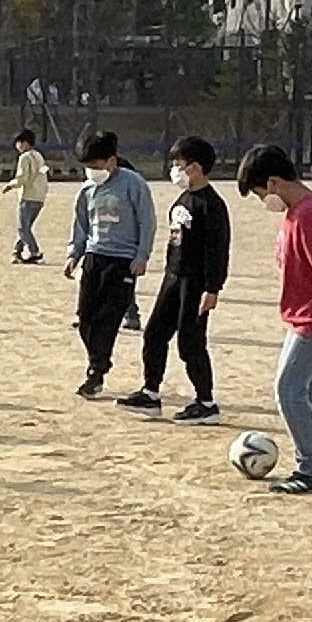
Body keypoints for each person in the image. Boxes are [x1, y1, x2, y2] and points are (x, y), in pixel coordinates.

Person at [234, 143, 312, 493]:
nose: (264, 203)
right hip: (302, 315)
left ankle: (311, 468)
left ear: (274, 182)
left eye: (261, 194)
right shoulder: (297, 212)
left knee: (288, 389)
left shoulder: (308, 215)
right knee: (302, 378)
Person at [119, 134, 227, 422]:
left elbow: (218, 250)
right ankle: (150, 393)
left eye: (179, 164)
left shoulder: (211, 205)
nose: (175, 170)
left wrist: (212, 288)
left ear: (195, 167)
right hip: (173, 277)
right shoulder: (184, 198)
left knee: (190, 342)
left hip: (196, 282)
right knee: (155, 333)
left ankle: (206, 402)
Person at [62, 129, 154, 397]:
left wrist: (141, 255)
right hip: (94, 256)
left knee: (109, 317)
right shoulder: (87, 189)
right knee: (86, 317)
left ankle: (96, 371)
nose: (91, 171)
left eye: (95, 166)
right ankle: (98, 360)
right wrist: (73, 254)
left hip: (122, 260)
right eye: (87, 167)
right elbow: (81, 224)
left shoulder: (133, 184)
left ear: (111, 161)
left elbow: (146, 221)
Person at [4, 129, 51, 264]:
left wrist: (10, 185)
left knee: (22, 227)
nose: (17, 146)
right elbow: (43, 174)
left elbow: (22, 178)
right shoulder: (39, 156)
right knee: (26, 227)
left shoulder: (25, 157)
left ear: (25, 143)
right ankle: (16, 252)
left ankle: (34, 252)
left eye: (19, 142)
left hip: (28, 196)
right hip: (39, 197)